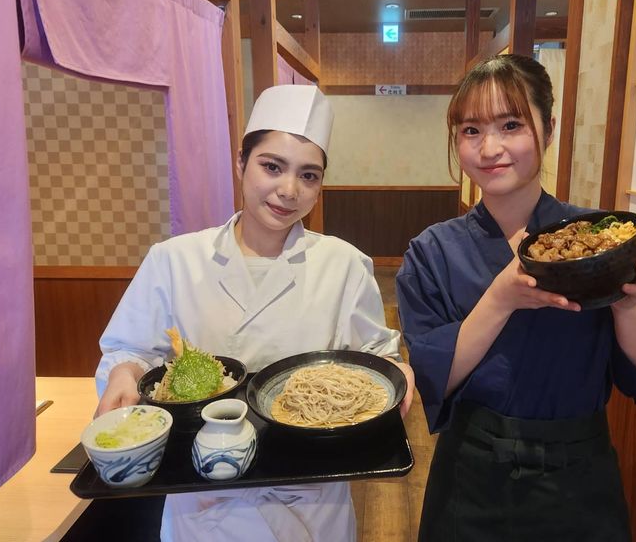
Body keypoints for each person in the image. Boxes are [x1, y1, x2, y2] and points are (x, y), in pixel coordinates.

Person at [95, 84, 414, 542]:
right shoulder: (174, 259)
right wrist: (124, 374)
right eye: (272, 166)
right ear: (241, 163)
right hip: (203, 493)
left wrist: (397, 369)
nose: (289, 190)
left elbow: (373, 356)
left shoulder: (343, 264)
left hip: (310, 492)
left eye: (309, 176)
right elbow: (129, 349)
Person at [395, 54, 636, 542]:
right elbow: (435, 376)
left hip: (580, 474)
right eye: (471, 130)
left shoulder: (604, 242)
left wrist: (626, 304)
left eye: (511, 125)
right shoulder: (433, 252)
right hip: (470, 475)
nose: (490, 148)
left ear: (548, 130)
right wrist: (501, 298)